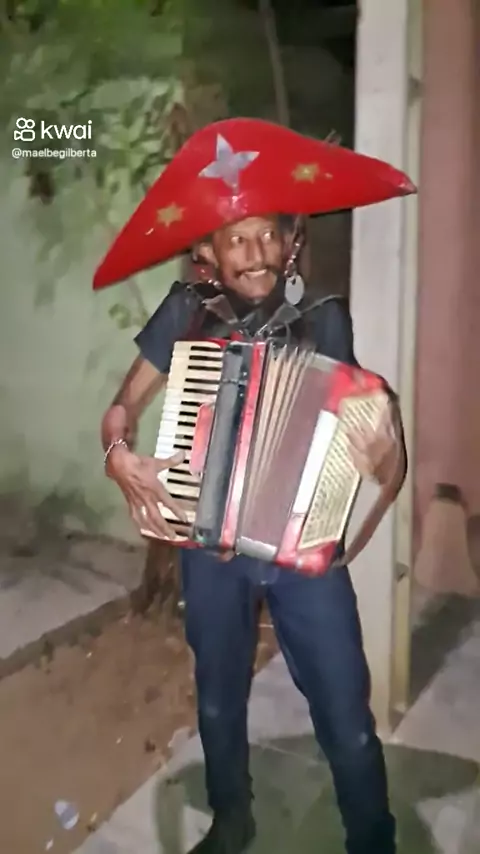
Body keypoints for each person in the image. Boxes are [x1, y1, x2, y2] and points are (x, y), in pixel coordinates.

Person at [94, 118, 414, 853]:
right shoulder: (186, 312)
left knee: (347, 715)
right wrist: (117, 453)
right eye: (237, 239)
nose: (257, 253)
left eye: (269, 235)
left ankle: (373, 839)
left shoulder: (324, 319)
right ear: (207, 249)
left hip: (304, 550)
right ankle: (232, 821)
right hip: (209, 546)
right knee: (217, 700)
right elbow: (123, 406)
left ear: (289, 241)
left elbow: (374, 450)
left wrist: (383, 454)